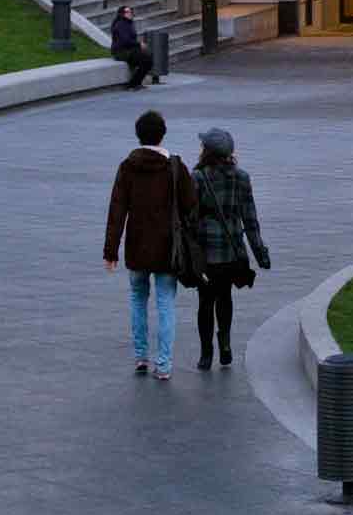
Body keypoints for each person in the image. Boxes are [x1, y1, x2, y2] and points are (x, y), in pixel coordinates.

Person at [103, 109, 197, 381]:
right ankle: (164, 364)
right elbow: (192, 205)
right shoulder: (175, 167)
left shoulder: (127, 166)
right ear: (162, 135)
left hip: (137, 246)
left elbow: (117, 210)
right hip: (169, 249)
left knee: (137, 298)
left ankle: (141, 356)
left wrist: (111, 251)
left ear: (138, 134)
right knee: (166, 302)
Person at [192, 127, 271, 371]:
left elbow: (189, 217)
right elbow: (250, 219)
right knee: (225, 297)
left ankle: (206, 354)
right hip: (231, 251)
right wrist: (261, 253)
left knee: (205, 301)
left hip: (206, 252)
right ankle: (225, 344)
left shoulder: (197, 178)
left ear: (207, 151)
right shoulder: (242, 177)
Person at [110, 3, 153, 90]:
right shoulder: (120, 24)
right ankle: (133, 84)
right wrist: (139, 44)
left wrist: (139, 46)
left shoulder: (128, 23)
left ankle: (136, 83)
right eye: (127, 12)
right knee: (146, 59)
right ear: (122, 14)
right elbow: (125, 41)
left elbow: (130, 40)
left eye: (131, 11)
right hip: (120, 52)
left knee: (148, 59)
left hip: (129, 50)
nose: (130, 13)